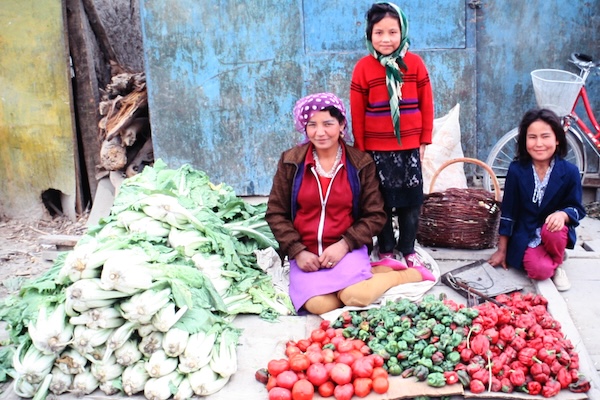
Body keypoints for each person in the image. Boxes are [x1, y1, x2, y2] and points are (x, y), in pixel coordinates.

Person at [266, 92, 435, 315]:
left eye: (328, 123)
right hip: (307, 253)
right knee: (318, 305)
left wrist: (344, 244)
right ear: (304, 128)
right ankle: (373, 273)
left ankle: (401, 275)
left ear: (342, 124)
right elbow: (276, 213)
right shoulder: (291, 161)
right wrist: (297, 251)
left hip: (346, 249)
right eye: (312, 125)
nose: (320, 132)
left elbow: (375, 215)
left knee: (356, 296)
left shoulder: (359, 163)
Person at [350, 2, 434, 270]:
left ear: (403, 32)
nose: (386, 39)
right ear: (369, 35)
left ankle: (407, 247)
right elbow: (357, 111)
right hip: (375, 148)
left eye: (392, 32)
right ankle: (385, 247)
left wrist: (424, 140)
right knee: (380, 202)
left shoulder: (416, 64)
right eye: (378, 33)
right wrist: (361, 148)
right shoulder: (363, 68)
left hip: (408, 146)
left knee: (411, 201)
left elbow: (427, 103)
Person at [487, 108, 586, 291]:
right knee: (538, 271)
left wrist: (563, 215)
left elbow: (577, 209)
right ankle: (551, 260)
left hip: (555, 233)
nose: (539, 143)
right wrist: (502, 250)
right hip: (526, 233)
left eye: (545, 136)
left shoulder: (570, 172)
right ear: (525, 141)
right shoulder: (517, 170)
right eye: (532, 137)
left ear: (557, 139)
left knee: (553, 229)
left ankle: (558, 262)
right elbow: (508, 212)